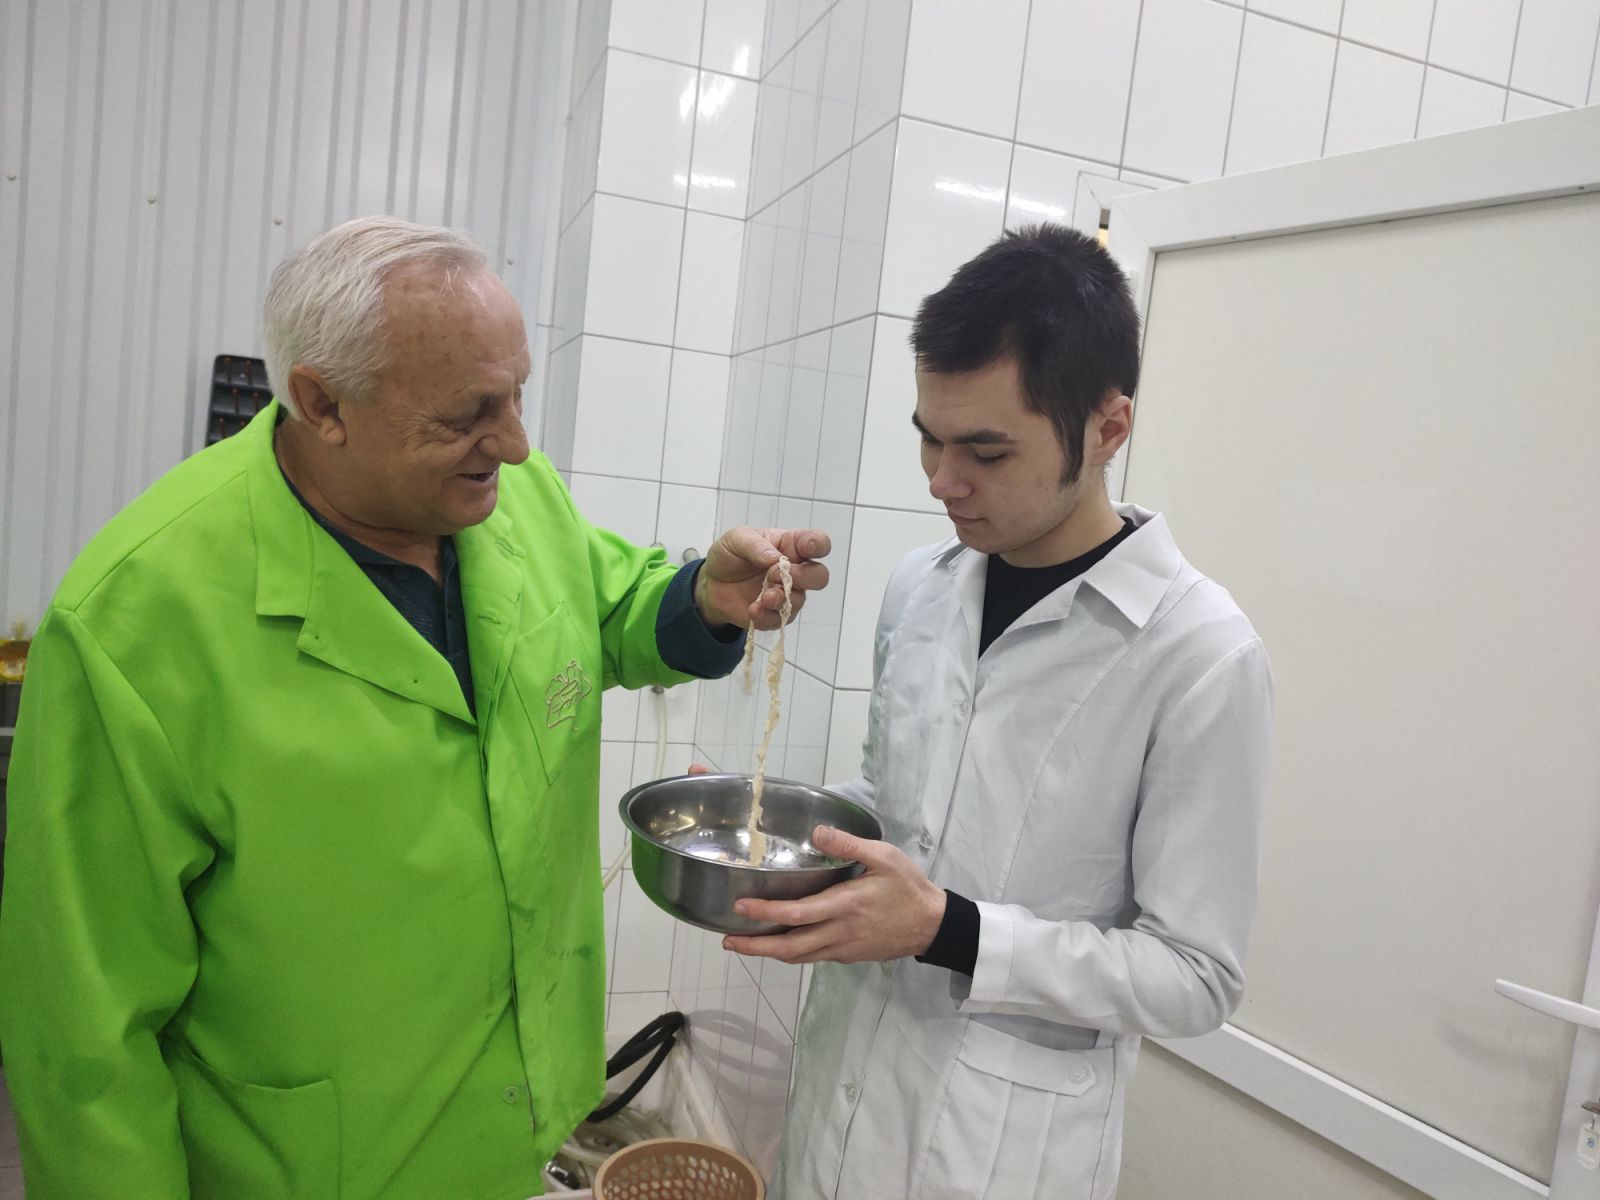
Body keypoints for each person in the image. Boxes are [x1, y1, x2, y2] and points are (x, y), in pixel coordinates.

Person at [0, 216, 829, 1200]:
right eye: (469, 413)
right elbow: (82, 1026)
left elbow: (601, 605)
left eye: (517, 395)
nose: (515, 443)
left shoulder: (507, 497)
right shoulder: (136, 623)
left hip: (515, 1122)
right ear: (323, 403)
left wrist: (699, 600)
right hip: (313, 1167)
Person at [723, 224, 1273, 1199]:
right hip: (843, 1097)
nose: (942, 481)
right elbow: (899, 800)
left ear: (1107, 428)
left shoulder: (1196, 654)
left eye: (985, 450)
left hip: (1000, 1150)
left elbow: (1196, 976)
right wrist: (773, 823)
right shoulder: (922, 586)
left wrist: (951, 930)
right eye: (930, 439)